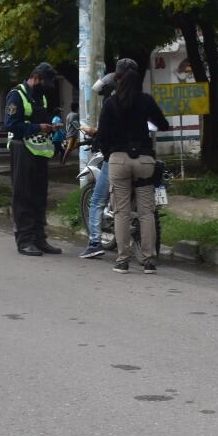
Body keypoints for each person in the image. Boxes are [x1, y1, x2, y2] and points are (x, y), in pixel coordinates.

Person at [95, 62, 170, 274]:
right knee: (147, 212)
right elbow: (163, 124)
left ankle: (122, 260)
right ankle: (148, 260)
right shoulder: (145, 100)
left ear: (118, 80)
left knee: (121, 212)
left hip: (119, 161)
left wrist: (111, 154)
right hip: (145, 160)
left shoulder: (110, 103)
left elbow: (102, 136)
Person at [79, 58, 139, 260]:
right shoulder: (142, 99)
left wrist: (97, 137)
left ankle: (95, 242)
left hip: (116, 158)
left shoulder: (112, 102)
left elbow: (106, 133)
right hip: (142, 157)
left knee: (97, 200)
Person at [6, 62, 61, 256]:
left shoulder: (41, 98)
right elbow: (12, 125)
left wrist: (51, 127)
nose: (46, 87)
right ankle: (24, 241)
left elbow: (38, 121)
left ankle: (39, 238)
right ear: (36, 78)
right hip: (21, 150)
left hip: (39, 152)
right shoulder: (16, 95)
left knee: (39, 195)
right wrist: (38, 127)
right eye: (44, 83)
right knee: (23, 196)